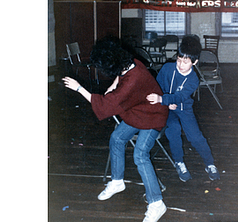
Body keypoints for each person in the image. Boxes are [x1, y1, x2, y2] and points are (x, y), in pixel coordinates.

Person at [62, 36, 168, 222]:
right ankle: (117, 182)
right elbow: (121, 75)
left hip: (153, 115)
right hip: (138, 111)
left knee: (140, 155)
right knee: (116, 138)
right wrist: (113, 84)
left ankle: (157, 203)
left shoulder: (133, 82)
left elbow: (106, 105)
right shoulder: (132, 62)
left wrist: (79, 88)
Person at [147, 35, 220, 182]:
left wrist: (163, 99)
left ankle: (209, 163)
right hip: (166, 108)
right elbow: (157, 87)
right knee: (173, 130)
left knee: (195, 137)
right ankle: (179, 162)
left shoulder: (193, 79)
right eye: (179, 59)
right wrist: (165, 102)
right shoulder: (168, 68)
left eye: (185, 62)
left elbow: (180, 97)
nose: (180, 65)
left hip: (183, 108)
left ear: (195, 62)